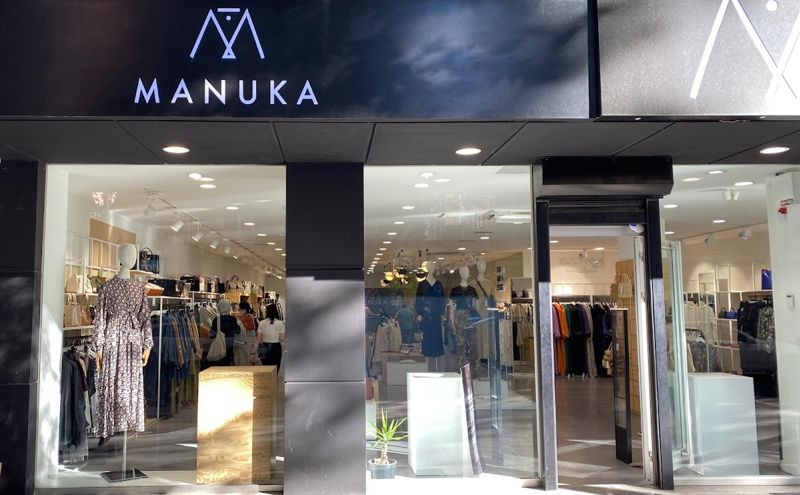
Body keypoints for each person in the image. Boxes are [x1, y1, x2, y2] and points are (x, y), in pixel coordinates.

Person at [253, 303, 284, 370]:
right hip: (276, 347)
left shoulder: (261, 323)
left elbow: (258, 339)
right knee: (275, 368)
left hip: (264, 347)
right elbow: (282, 339)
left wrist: (253, 352)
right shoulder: (280, 323)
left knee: (265, 368)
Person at [209, 299, 240, 366]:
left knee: (220, 363)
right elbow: (238, 331)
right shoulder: (233, 319)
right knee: (230, 363)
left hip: (220, 344)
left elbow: (212, 334)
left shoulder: (217, 319)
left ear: (219, 308)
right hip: (231, 344)